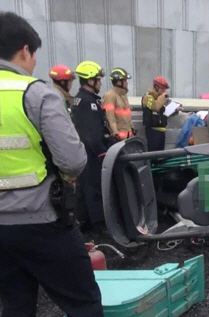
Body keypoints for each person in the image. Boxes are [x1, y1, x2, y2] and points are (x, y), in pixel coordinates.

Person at [0, 12, 103, 316]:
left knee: (16, 305)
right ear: (25, 50)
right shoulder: (36, 93)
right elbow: (72, 160)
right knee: (83, 302)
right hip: (42, 220)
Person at [71, 60, 113, 231]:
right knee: (94, 188)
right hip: (92, 153)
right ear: (90, 81)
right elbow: (91, 135)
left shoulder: (81, 100)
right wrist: (102, 152)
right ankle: (97, 226)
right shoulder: (88, 103)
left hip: (85, 152)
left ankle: (85, 223)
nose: (100, 83)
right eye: (98, 80)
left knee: (85, 188)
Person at [103, 67, 134, 141]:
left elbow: (126, 116)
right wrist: (115, 133)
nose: (127, 83)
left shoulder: (123, 95)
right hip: (118, 139)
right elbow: (110, 117)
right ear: (118, 82)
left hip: (128, 137)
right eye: (125, 80)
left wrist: (132, 129)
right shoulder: (110, 95)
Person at [142, 76, 170, 151]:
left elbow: (164, 111)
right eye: (162, 88)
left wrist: (175, 110)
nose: (164, 91)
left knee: (160, 155)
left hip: (161, 130)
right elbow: (155, 107)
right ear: (156, 87)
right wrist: (162, 98)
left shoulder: (160, 99)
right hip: (153, 131)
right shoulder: (148, 97)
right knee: (153, 154)